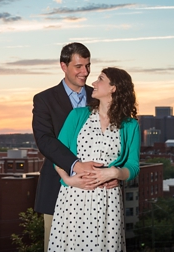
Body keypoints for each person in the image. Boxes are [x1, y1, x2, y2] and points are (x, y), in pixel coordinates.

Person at [48, 67, 140, 252]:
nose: (93, 83)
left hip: (108, 200)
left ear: (114, 87)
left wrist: (116, 172)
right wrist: (67, 179)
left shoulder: (131, 125)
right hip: (74, 197)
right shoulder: (77, 116)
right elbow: (57, 154)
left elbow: (133, 165)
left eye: (100, 79)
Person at [32, 42, 107, 251]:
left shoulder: (100, 97)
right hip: (57, 186)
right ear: (63, 66)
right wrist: (75, 165)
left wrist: (111, 174)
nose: (85, 72)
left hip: (97, 188)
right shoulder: (44, 99)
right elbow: (45, 140)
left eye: (88, 65)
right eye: (78, 66)